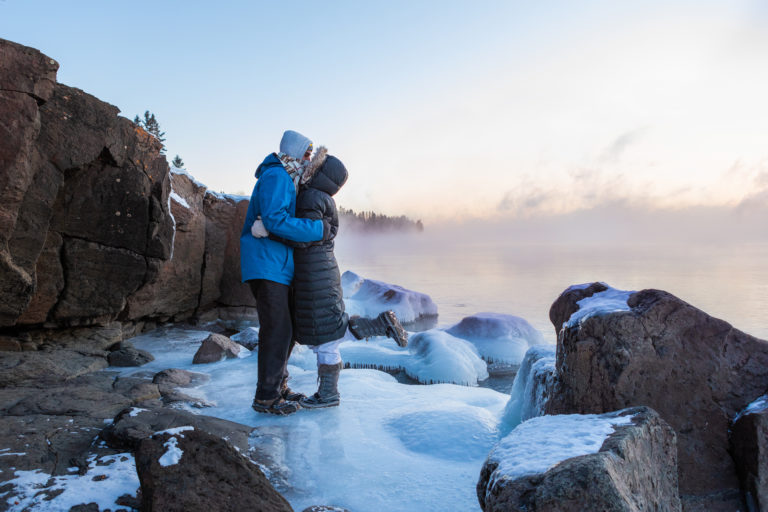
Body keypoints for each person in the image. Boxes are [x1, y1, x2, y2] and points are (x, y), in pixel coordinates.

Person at [252, 147, 408, 409]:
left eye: (313, 165)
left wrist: (269, 232)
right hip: (322, 271)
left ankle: (329, 394)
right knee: (330, 329)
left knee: (324, 335)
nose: (307, 166)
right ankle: (379, 327)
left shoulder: (310, 197)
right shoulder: (323, 197)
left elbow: (306, 237)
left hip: (313, 274)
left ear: (319, 172)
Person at [240, 130, 330, 415]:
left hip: (276, 265)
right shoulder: (278, 175)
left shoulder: (287, 177)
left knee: (286, 332)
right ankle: (266, 397)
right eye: (306, 153)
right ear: (293, 151)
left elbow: (274, 221)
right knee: (277, 331)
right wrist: (317, 229)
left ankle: (277, 387)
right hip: (266, 264)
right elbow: (275, 219)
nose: (308, 159)